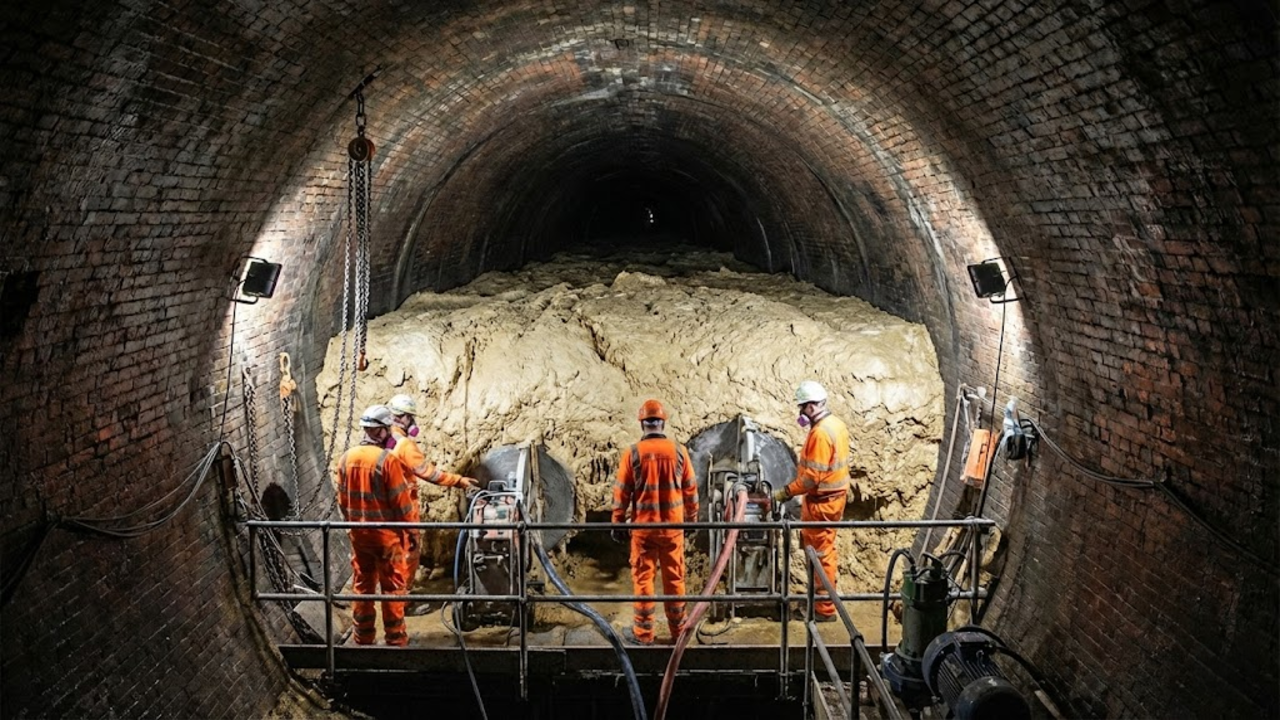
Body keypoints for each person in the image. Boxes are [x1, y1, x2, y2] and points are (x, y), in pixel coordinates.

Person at [611, 399, 699, 645]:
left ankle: (644, 635)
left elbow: (621, 493)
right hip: (673, 530)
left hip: (644, 530)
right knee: (675, 580)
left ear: (642, 424)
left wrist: (617, 523)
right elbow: (691, 491)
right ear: (663, 422)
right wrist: (691, 521)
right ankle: (678, 634)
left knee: (643, 581)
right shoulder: (679, 451)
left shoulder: (633, 453)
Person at [336, 404, 418, 646]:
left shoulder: (345, 459)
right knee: (392, 587)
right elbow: (402, 505)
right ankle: (395, 639)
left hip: (359, 536)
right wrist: (411, 533)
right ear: (380, 431)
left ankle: (363, 637)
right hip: (385, 538)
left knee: (363, 585)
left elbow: (342, 500)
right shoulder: (387, 461)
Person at [386, 393, 481, 599]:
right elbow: (429, 473)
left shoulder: (382, 440)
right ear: (403, 418)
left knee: (389, 552)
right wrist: (458, 480)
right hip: (401, 507)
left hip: (383, 507)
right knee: (407, 552)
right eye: (411, 417)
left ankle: (388, 594)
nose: (413, 423)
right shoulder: (404, 445)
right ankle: (401, 600)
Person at [772, 381, 851, 623]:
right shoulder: (836, 425)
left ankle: (824, 610)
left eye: (801, 408)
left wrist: (784, 493)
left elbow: (810, 478)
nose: (799, 414)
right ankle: (820, 601)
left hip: (821, 503)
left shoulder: (819, 433)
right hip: (831, 500)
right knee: (823, 551)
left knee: (820, 555)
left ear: (810, 406)